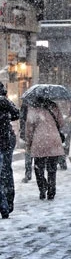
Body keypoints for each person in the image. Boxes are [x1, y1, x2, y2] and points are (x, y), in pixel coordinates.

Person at [24, 97, 65, 200]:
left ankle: (42, 189)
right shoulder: (54, 106)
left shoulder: (33, 109)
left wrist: (28, 143)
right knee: (52, 169)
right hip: (53, 141)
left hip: (39, 142)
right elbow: (61, 123)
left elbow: (29, 129)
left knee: (39, 168)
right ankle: (51, 191)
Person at [0, 82, 19, 218]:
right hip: (6, 139)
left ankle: (4, 205)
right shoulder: (5, 101)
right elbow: (16, 114)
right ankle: (8, 202)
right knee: (6, 172)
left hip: (4, 140)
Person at [18, 104, 33, 183]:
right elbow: (22, 119)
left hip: (29, 133)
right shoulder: (41, 104)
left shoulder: (25, 104)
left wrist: (22, 133)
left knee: (28, 155)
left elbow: (22, 119)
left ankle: (28, 174)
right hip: (35, 133)